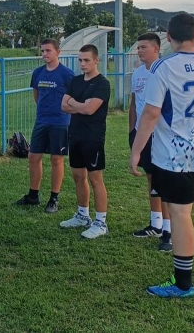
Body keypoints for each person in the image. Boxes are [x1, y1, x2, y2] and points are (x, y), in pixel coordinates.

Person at [131, 12, 194, 298]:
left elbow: (150, 113)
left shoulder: (164, 67)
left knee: (179, 212)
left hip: (175, 154)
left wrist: (136, 151)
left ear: (168, 37)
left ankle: (183, 283)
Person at [15, 38, 74, 213]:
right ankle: (33, 195)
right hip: (41, 121)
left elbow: (72, 97)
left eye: (48, 51)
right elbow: (37, 94)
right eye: (42, 51)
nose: (44, 54)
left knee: (56, 159)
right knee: (33, 156)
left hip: (60, 122)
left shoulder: (67, 74)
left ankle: (54, 198)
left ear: (58, 52)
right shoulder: (38, 73)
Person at [59, 44, 110, 240]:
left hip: (93, 137)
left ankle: (101, 222)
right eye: (80, 60)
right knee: (78, 176)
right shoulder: (76, 81)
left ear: (96, 60)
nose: (82, 64)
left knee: (96, 179)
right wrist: (80, 104)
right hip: (75, 134)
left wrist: (75, 103)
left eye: (86, 60)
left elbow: (90, 110)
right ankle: (82, 215)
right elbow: (64, 105)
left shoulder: (102, 84)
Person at [129, 33, 172, 252]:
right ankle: (156, 224)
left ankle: (169, 231)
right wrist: (132, 132)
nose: (139, 50)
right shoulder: (137, 73)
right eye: (138, 47)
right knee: (151, 177)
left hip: (161, 135)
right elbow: (134, 103)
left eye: (143, 47)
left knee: (164, 181)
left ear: (156, 48)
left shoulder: (166, 70)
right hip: (142, 134)